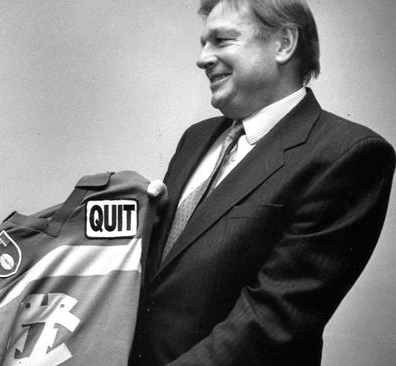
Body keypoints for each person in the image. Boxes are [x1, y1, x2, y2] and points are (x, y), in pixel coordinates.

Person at [129, 1, 395, 365]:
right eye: (204, 43)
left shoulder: (348, 154)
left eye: (222, 40)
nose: (202, 58)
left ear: (284, 43)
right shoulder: (196, 138)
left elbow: (271, 323)